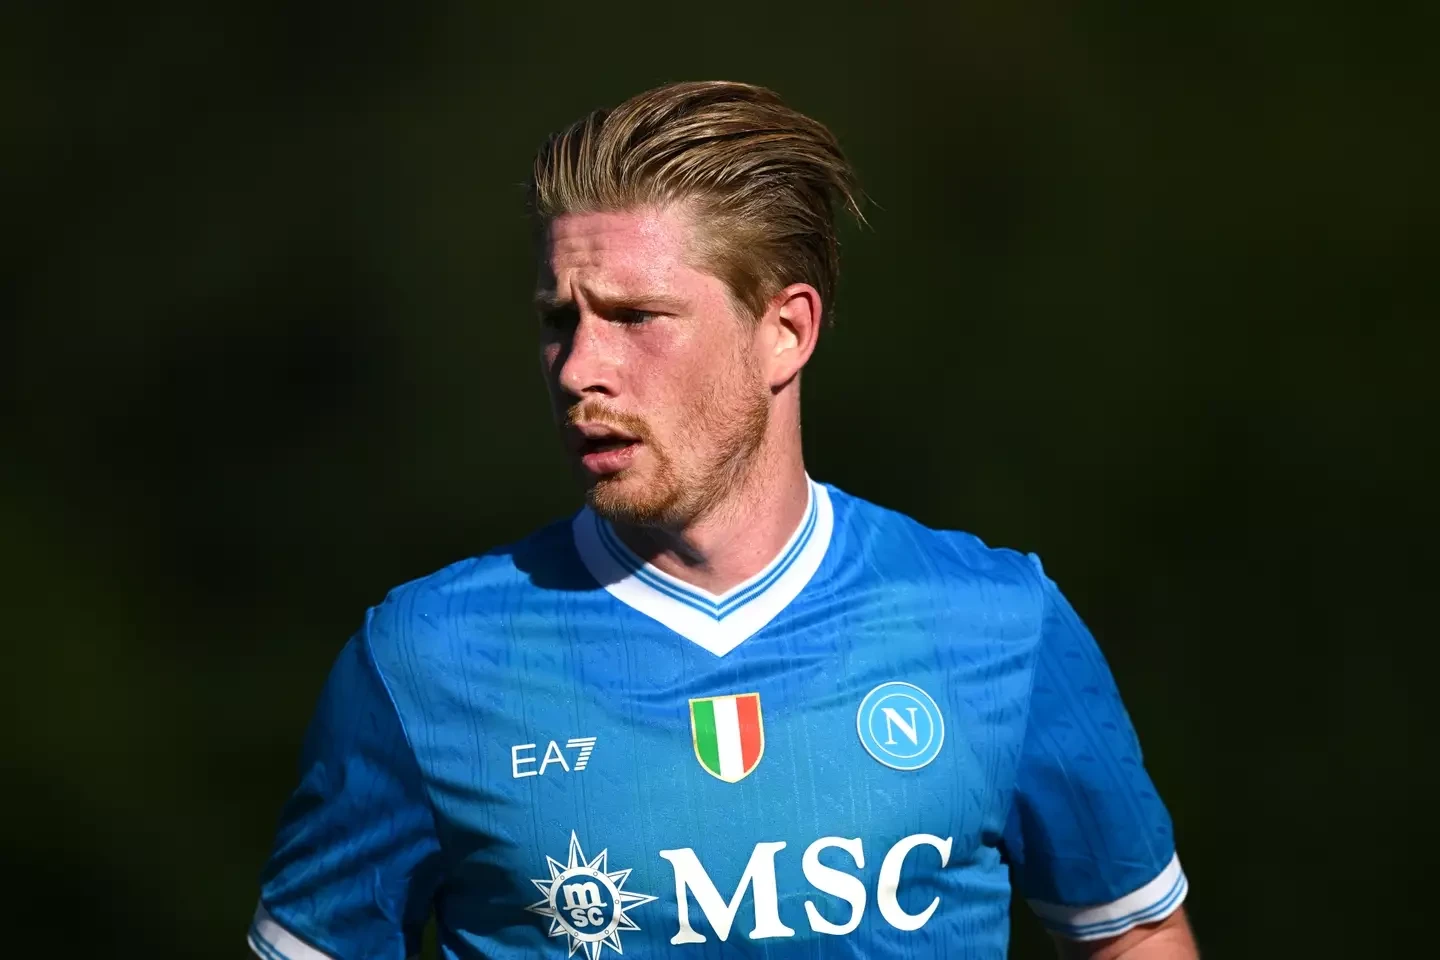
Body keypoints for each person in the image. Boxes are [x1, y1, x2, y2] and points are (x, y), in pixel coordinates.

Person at [247, 81, 1197, 960]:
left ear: (786, 331)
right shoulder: (424, 662)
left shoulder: (998, 625)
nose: (580, 369)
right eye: (559, 321)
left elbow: (1133, 936)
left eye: (635, 317)